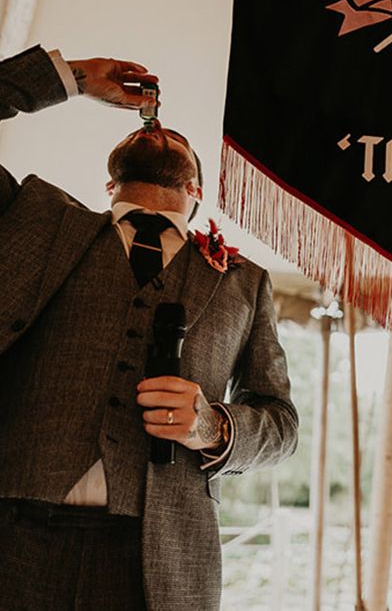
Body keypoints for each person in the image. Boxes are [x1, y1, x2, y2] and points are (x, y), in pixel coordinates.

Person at [0, 45, 299, 610]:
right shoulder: (35, 222)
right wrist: (71, 79)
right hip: (12, 538)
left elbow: (281, 427)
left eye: (183, 144)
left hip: (158, 560)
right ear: (108, 185)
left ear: (197, 194)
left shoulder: (244, 283)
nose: (167, 134)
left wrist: (213, 426)